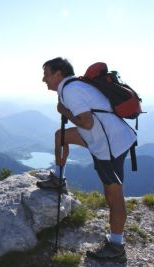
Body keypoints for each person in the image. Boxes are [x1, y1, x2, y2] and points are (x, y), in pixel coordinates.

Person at [38, 57, 137, 262]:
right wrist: (63, 106)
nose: (43, 79)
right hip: (103, 137)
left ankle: (116, 246)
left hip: (110, 145)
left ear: (59, 74)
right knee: (61, 136)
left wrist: (64, 110)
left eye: (46, 73)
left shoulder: (71, 90)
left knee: (113, 196)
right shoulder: (73, 86)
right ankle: (58, 178)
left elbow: (87, 122)